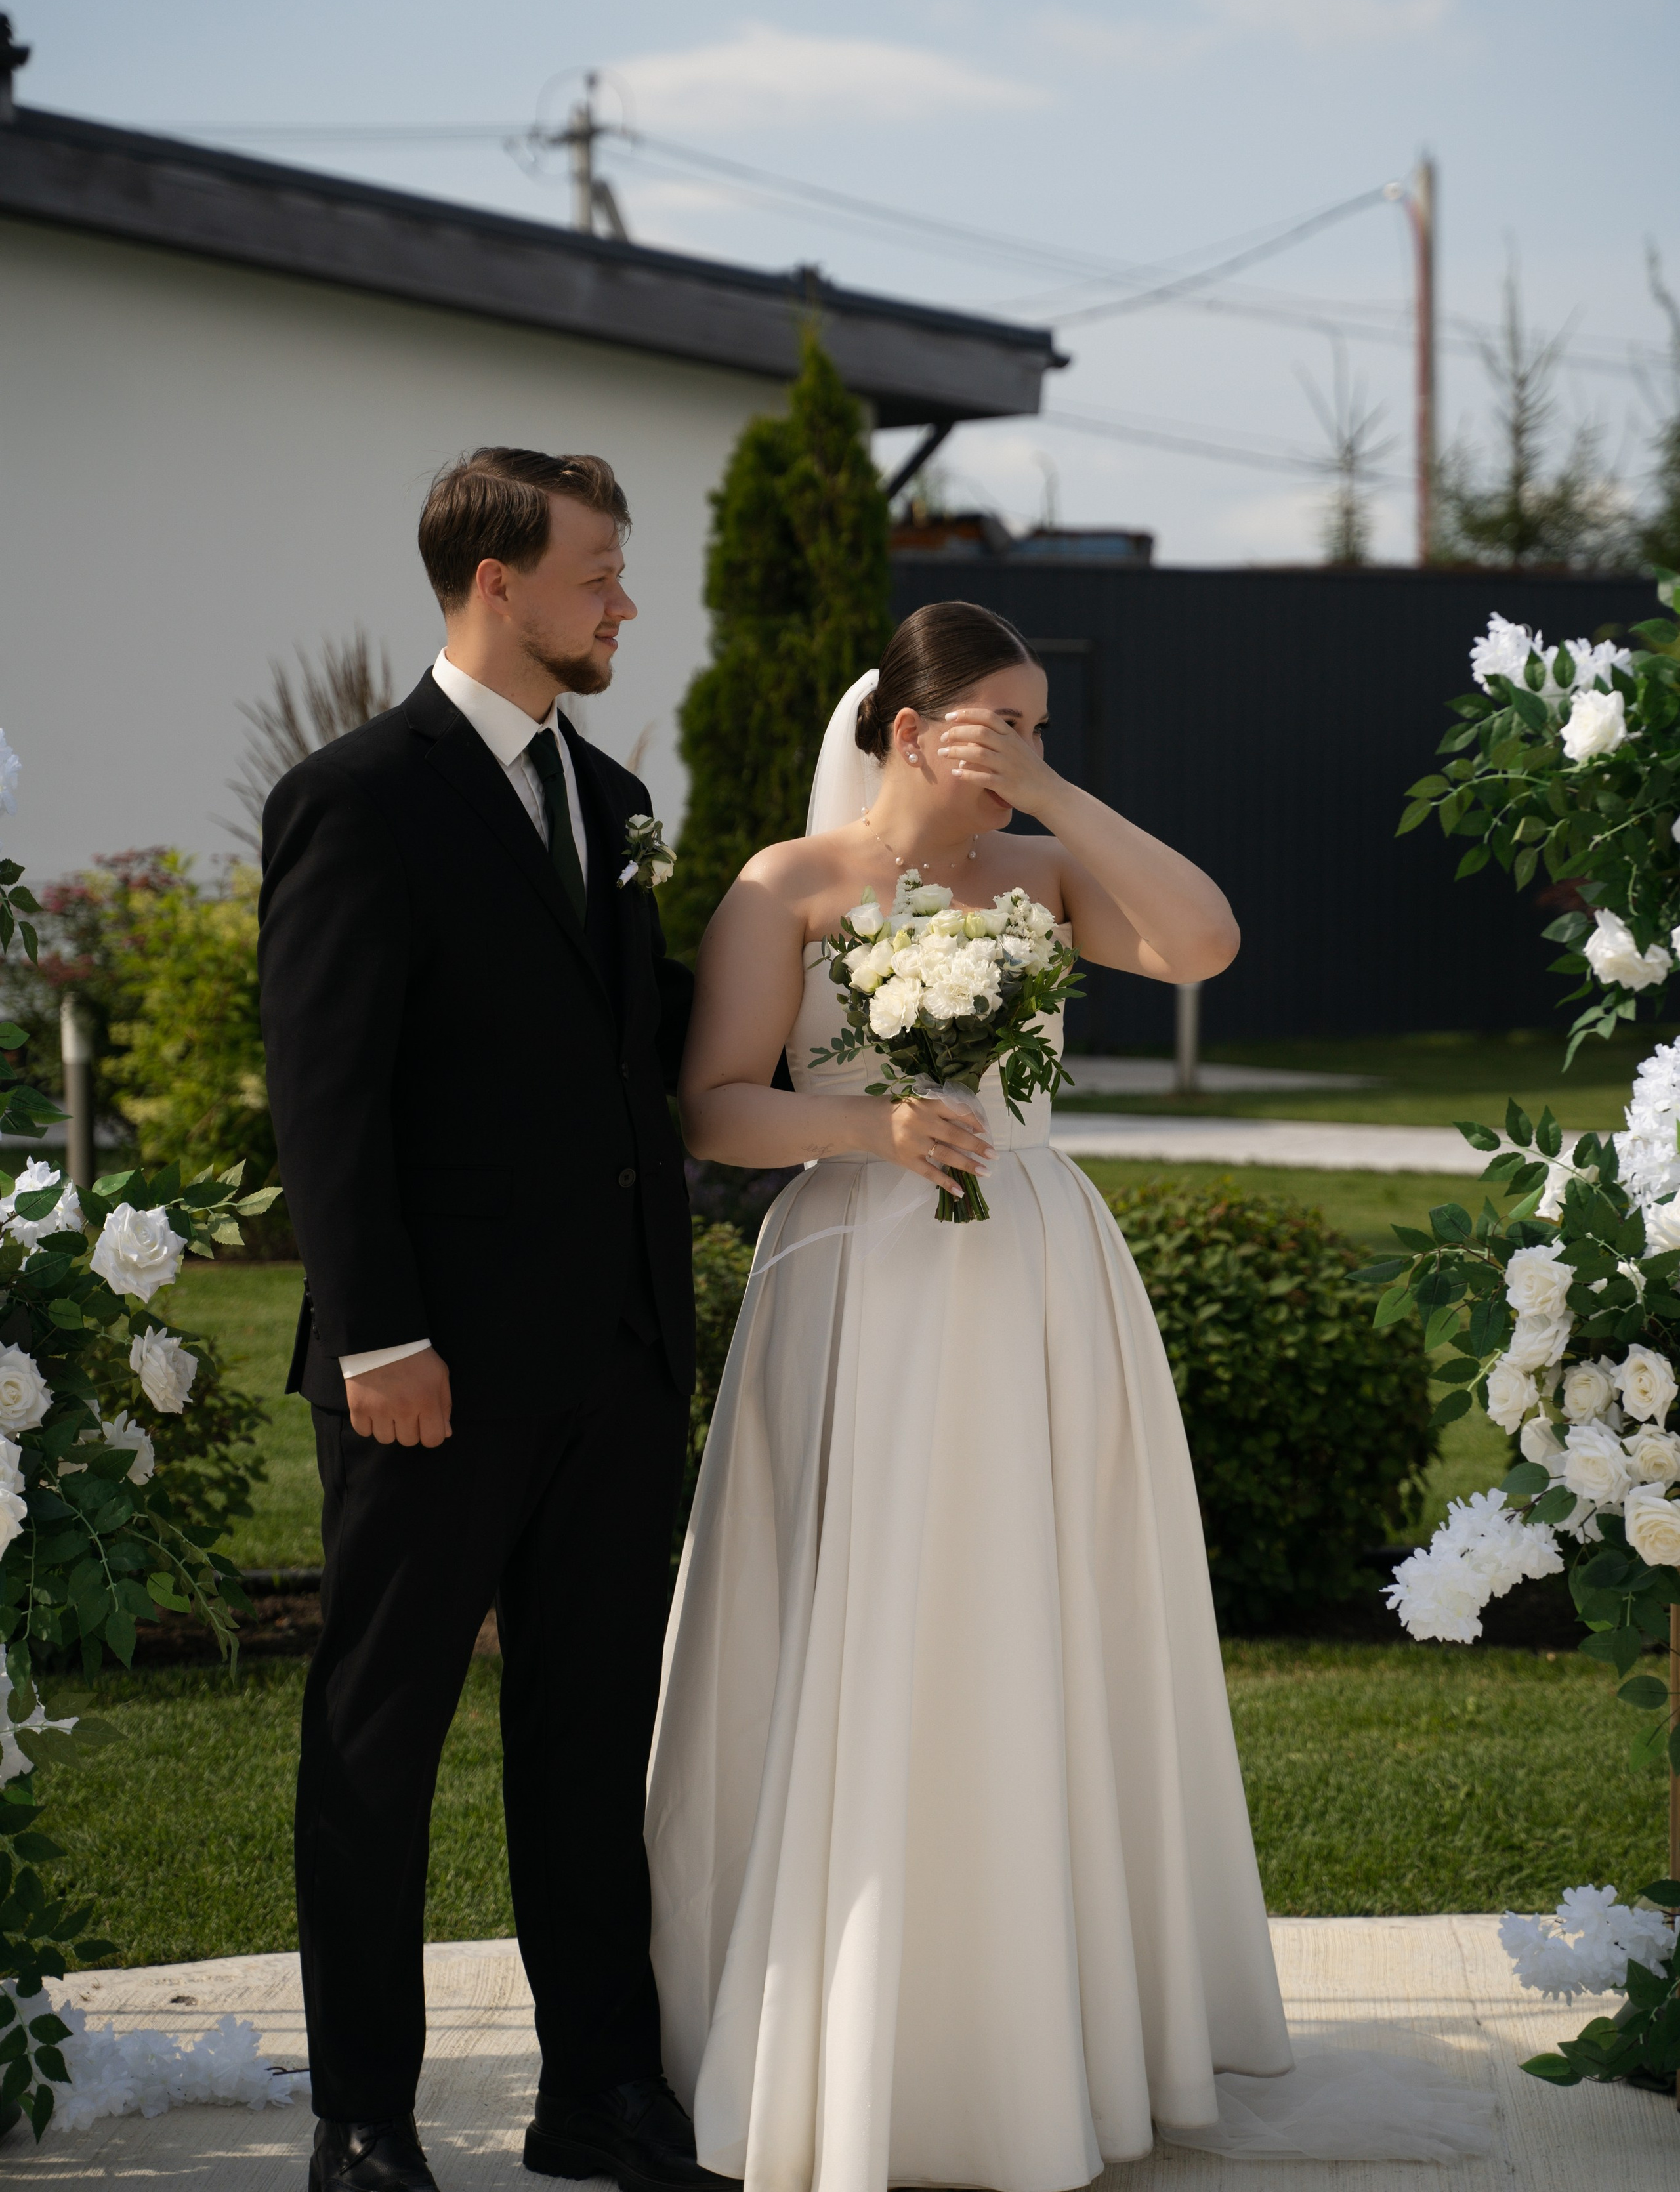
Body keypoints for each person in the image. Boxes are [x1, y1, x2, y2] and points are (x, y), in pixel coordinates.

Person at [648, 599, 1493, 2188]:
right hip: (856, 1281)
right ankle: (844, 2031)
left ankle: (1047, 2024)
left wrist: (1054, 801)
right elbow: (706, 1107)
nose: (1026, 750)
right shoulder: (790, 886)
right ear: (907, 730)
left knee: (1034, 1618)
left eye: (1039, 725)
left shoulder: (1040, 874)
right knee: (872, 1618)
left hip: (1038, 1274)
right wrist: (870, 1131)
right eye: (1003, 726)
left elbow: (1200, 942)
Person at [259, 450, 724, 2192]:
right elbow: (326, 1086)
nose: (624, 604)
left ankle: (595, 2091)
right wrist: (380, 1337)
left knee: (591, 1743)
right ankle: (361, 2118)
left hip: (610, 1364)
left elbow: (642, 1048)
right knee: (377, 1746)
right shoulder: (359, 796)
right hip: (428, 1376)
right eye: (599, 573)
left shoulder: (604, 802)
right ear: (496, 585)